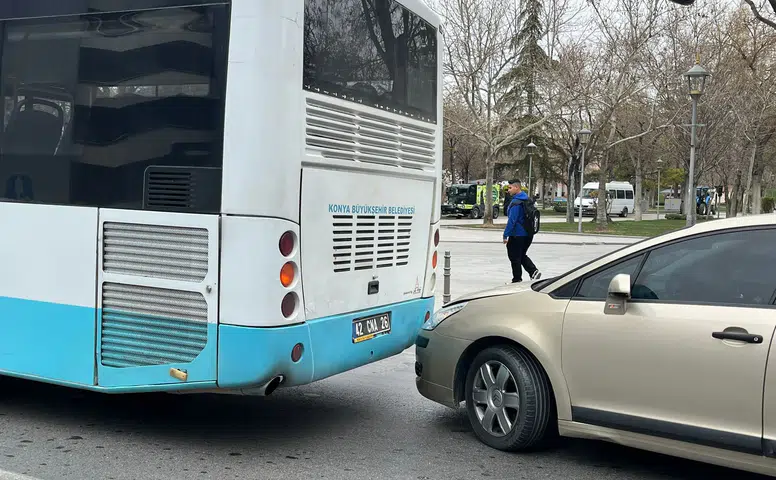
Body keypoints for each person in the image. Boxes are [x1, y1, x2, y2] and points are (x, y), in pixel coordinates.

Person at [503, 179, 540, 283]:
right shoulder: (527, 200)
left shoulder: (516, 203)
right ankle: (533, 271)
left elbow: (512, 221)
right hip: (528, 234)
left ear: (516, 187)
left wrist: (505, 235)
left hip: (517, 234)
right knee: (521, 254)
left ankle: (517, 279)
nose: (508, 190)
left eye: (510, 188)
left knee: (514, 256)